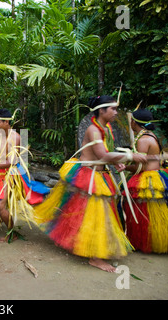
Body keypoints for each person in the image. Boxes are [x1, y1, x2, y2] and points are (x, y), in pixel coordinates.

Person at [34, 95, 147, 272]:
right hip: (88, 176)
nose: (116, 112)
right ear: (102, 110)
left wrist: (116, 161)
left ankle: (85, 246)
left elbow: (105, 153)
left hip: (99, 175)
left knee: (86, 214)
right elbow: (102, 155)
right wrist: (131, 156)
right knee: (95, 216)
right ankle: (95, 258)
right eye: (113, 109)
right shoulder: (93, 130)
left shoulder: (105, 128)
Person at [121, 109, 168, 261]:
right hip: (157, 174)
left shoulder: (143, 139)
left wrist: (125, 166)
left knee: (152, 213)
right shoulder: (150, 135)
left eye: (131, 121)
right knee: (162, 214)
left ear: (133, 122)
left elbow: (140, 167)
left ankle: (165, 245)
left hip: (148, 177)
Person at [0, 103, 49, 242]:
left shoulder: (16, 138)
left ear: (6, 122)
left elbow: (12, 162)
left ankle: (11, 232)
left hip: (10, 174)